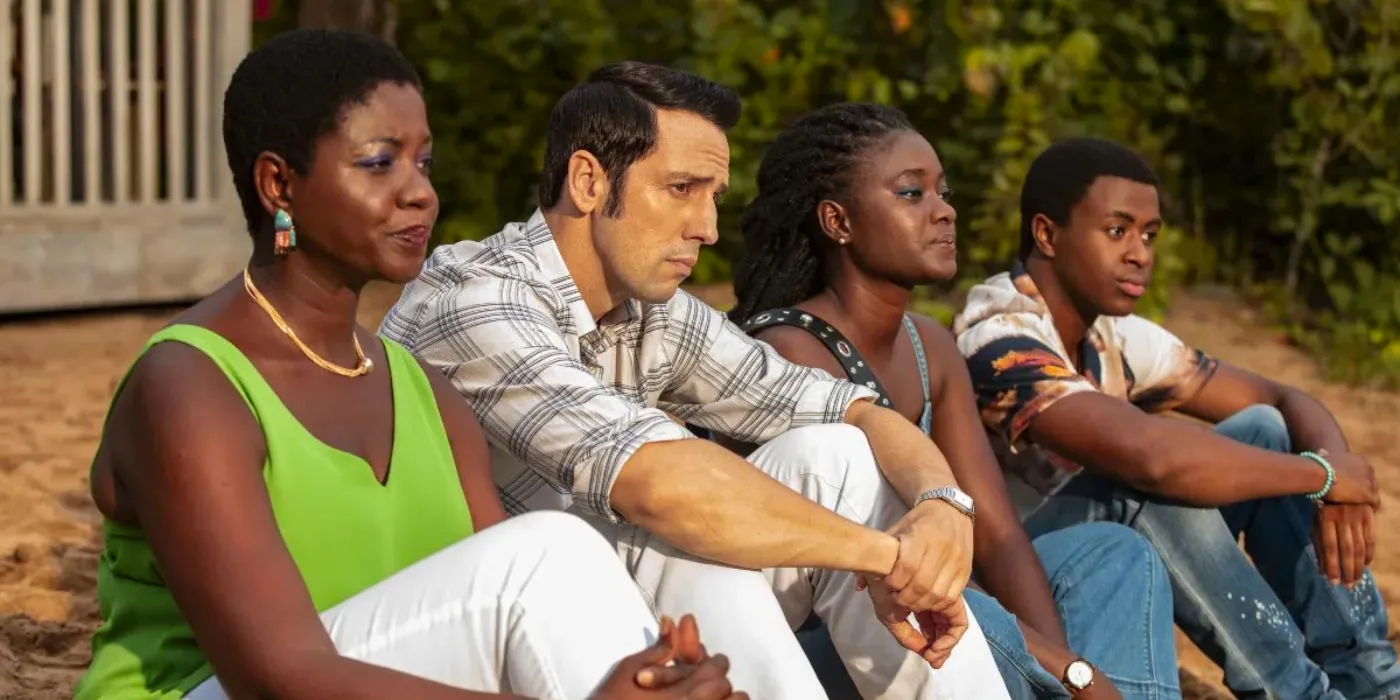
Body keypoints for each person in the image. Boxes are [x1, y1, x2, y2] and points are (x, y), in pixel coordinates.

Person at [74, 29, 747, 700]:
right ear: (279, 184)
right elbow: (274, 675)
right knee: (557, 548)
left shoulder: (423, 391)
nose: (419, 193)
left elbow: (493, 614)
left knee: (700, 572)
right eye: (378, 163)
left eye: (423, 163)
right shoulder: (189, 386)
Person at [380, 62, 1012, 700]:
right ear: (588, 180)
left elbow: (856, 412)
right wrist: (889, 557)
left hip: (618, 617)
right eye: (682, 188)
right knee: (678, 532)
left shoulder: (650, 309)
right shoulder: (478, 301)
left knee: (835, 455)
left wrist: (941, 507)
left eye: (714, 196)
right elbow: (660, 485)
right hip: (463, 650)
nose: (708, 228)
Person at [726, 102, 1181, 700]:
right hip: (838, 645)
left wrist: (1056, 670)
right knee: (942, 595)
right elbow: (883, 570)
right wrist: (1073, 673)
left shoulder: (930, 346)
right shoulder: (792, 350)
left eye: (943, 191)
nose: (945, 212)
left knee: (1113, 553)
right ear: (838, 221)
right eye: (912, 194)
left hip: (937, 618)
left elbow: (996, 535)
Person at [952, 136, 1400, 700]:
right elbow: (1152, 460)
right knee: (1143, 481)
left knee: (1263, 430)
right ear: (1047, 234)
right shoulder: (998, 332)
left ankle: (1374, 683)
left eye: (1149, 235)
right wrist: (1325, 475)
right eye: (1117, 231)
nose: (1140, 252)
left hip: (1108, 553)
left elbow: (1282, 399)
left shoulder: (1109, 335)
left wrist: (1339, 475)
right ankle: (1299, 692)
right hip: (1014, 585)